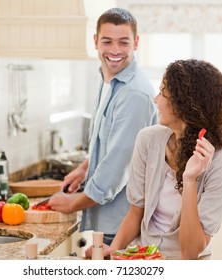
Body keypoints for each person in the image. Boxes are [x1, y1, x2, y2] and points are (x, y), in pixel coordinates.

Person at [85, 59, 222, 259]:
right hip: (142, 258)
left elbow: (192, 251)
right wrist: (114, 248)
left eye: (163, 92)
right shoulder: (148, 140)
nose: (155, 99)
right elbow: (135, 213)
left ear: (183, 104)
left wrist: (190, 180)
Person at [48, 8, 157, 245]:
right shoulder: (109, 80)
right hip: (106, 220)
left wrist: (73, 203)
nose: (115, 50)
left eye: (123, 42)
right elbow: (107, 141)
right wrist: (85, 168)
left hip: (121, 225)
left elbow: (117, 167)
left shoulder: (134, 94)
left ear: (136, 43)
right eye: (107, 41)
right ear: (96, 41)